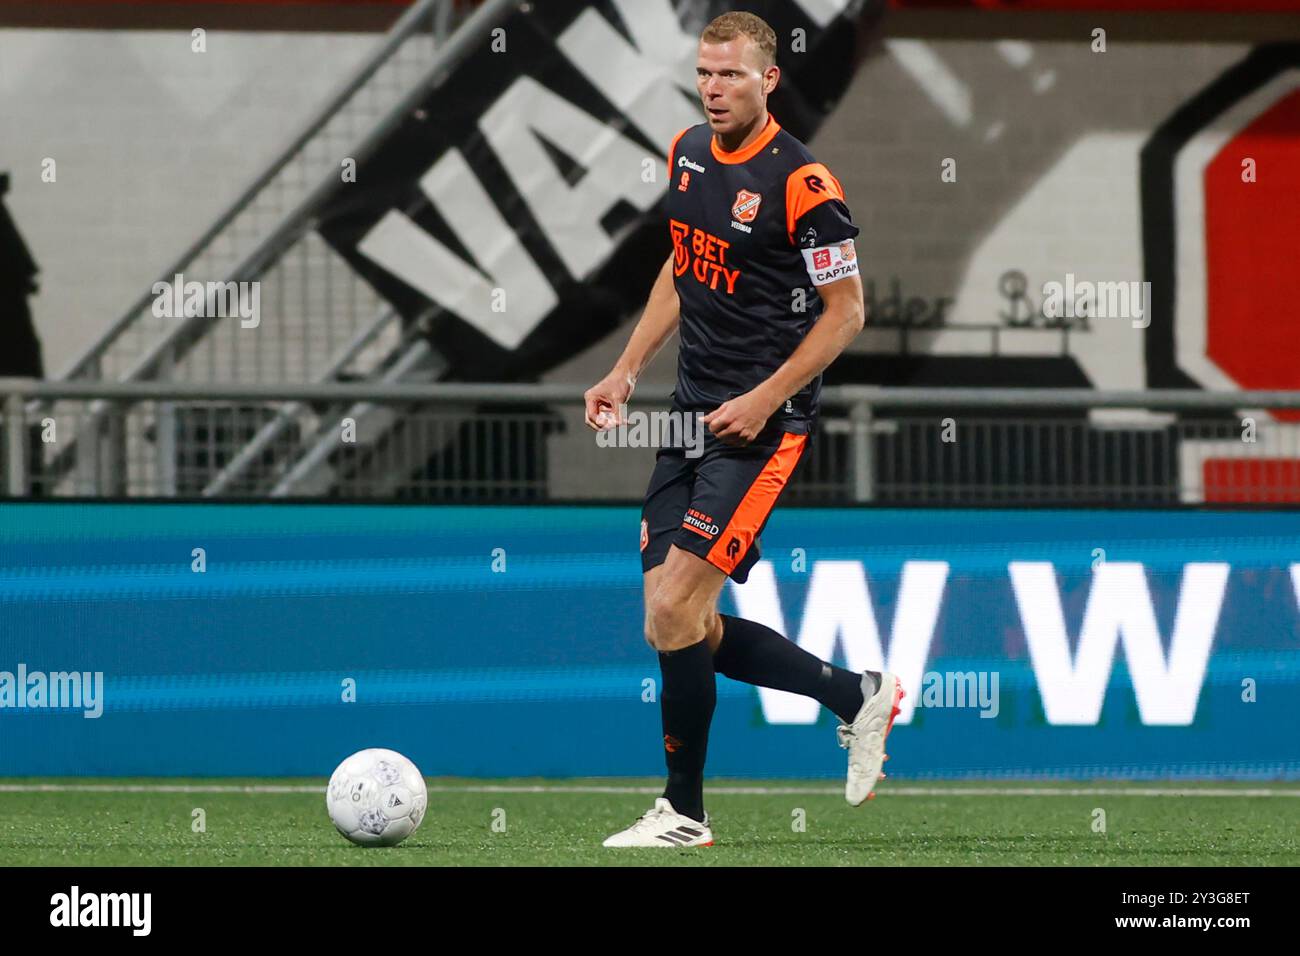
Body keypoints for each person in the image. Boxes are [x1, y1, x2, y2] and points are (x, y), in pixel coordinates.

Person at [584, 12, 903, 849]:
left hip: (763, 429)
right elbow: (681, 265)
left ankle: (684, 813)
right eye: (705, 73)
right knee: (670, 619)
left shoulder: (805, 185)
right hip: (689, 416)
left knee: (679, 606)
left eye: (731, 75)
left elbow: (847, 315)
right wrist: (626, 368)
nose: (714, 89)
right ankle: (854, 693)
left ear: (769, 80)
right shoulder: (688, 153)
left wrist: (765, 398)